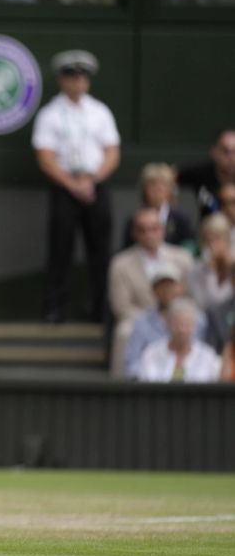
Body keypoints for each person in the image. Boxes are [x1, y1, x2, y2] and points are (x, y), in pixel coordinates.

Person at [32, 49, 120, 324]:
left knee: (100, 249)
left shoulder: (100, 112)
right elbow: (45, 158)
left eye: (82, 77)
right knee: (61, 248)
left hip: (95, 184)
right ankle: (55, 308)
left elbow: (112, 152)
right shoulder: (50, 114)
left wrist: (91, 181)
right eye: (72, 76)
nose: (77, 82)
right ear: (62, 79)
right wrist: (73, 184)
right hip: (65, 186)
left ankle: (100, 308)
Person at [108, 208, 194, 377]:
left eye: (154, 228)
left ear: (162, 230)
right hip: (141, 318)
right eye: (142, 230)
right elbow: (121, 307)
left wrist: (176, 318)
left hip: (180, 317)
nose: (149, 234)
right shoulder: (120, 263)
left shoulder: (183, 258)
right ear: (134, 233)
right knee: (124, 331)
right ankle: (119, 386)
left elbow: (191, 297)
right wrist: (154, 320)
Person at [123, 264, 206, 380]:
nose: (166, 289)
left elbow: (204, 356)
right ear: (153, 290)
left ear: (181, 287)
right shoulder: (142, 322)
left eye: (171, 285)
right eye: (161, 285)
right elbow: (132, 365)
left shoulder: (199, 319)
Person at [135, 298, 220, 383]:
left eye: (186, 325)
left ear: (194, 326)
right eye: (177, 324)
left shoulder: (208, 356)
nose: (181, 330)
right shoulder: (151, 353)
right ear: (167, 324)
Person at [120, 163, 195, 252]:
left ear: (171, 189)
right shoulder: (134, 219)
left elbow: (189, 249)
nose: (158, 189)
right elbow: (127, 251)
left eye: (163, 184)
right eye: (152, 184)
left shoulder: (181, 219)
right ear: (144, 189)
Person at [175, 127, 235, 221]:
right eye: (226, 151)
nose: (231, 158)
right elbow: (168, 175)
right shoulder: (201, 172)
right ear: (214, 152)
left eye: (234, 152)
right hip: (208, 229)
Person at [187, 212, 233, 310]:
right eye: (207, 240)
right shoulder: (197, 270)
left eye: (217, 238)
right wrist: (209, 272)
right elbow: (203, 304)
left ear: (227, 239)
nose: (211, 244)